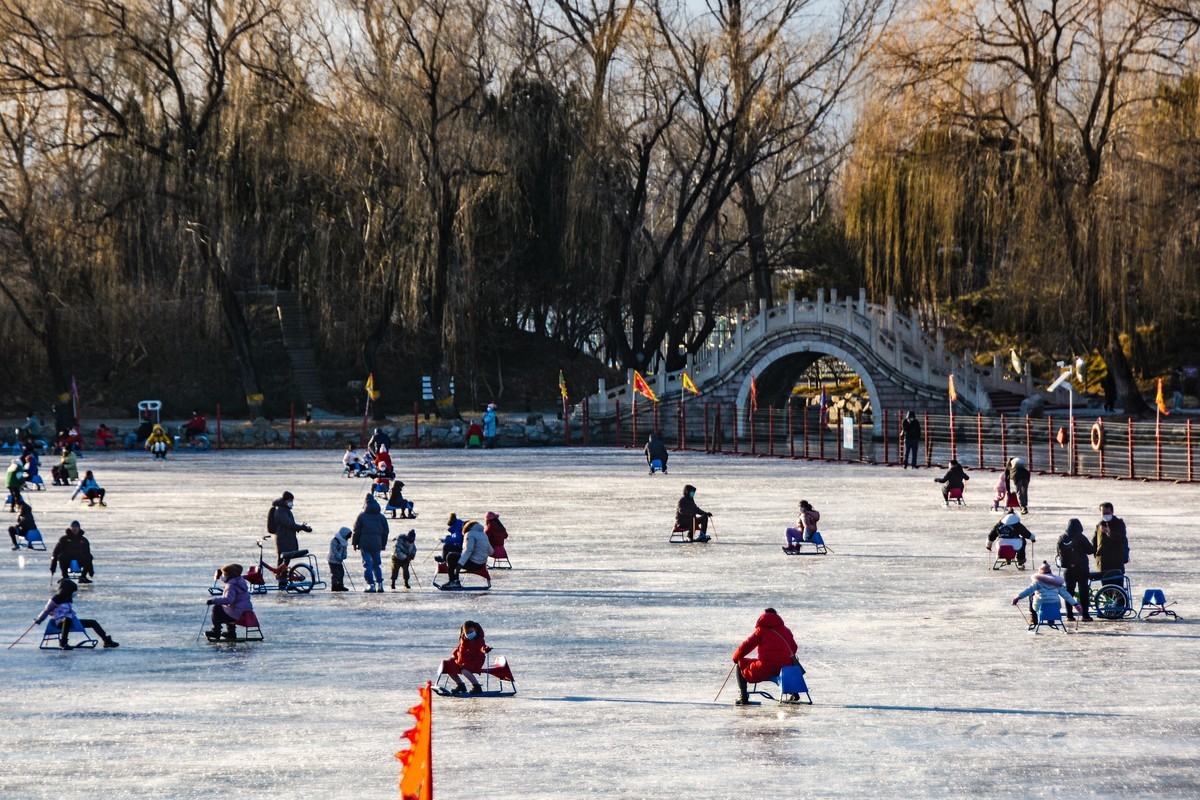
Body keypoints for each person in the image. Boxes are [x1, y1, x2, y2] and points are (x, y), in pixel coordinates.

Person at [731, 608, 799, 705]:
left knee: (741, 664)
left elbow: (746, 646)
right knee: (785, 667)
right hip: (784, 667)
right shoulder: (786, 631)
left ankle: (743, 696)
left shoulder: (761, 631)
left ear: (763, 617)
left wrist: (736, 658)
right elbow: (794, 648)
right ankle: (793, 692)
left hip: (765, 668)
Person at [34, 578, 118, 649]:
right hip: (60, 622)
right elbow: (46, 610)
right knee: (67, 619)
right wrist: (39, 620)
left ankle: (106, 640)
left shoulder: (69, 598)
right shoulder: (56, 598)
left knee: (93, 622)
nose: (73, 593)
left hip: (72, 621)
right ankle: (63, 643)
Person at [1013, 562, 1083, 627]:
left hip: (1040, 606)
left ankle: (1034, 619)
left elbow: (1029, 590)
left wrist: (1018, 597)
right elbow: (1066, 595)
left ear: (1040, 572)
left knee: (1031, 595)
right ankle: (1051, 619)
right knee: (1052, 601)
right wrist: (1075, 604)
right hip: (1055, 606)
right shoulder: (1057, 582)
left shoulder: (1037, 581)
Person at [269, 491, 312, 589]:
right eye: (290, 500)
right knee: (283, 560)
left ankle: (284, 579)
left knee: (285, 560)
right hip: (283, 539)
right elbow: (288, 524)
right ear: (285, 500)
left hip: (287, 538)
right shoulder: (280, 510)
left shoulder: (285, 509)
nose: (292, 502)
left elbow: (290, 524)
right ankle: (282, 581)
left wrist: (301, 527)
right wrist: (302, 527)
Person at [1056, 519, 1094, 622]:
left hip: (1068, 570)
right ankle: (1085, 615)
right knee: (1083, 592)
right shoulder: (1081, 537)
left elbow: (1058, 553)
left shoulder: (1062, 538)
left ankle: (1069, 615)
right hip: (1082, 569)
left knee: (1069, 593)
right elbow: (1090, 550)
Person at [351, 493, 390, 593]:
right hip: (377, 544)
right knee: (376, 564)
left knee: (367, 564)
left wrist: (354, 543)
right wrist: (383, 544)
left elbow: (356, 531)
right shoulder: (381, 517)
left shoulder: (362, 516)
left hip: (365, 544)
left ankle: (371, 584)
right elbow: (386, 531)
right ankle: (380, 585)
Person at [440, 621, 491, 694]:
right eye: (467, 633)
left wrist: (485, 649)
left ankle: (477, 686)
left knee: (464, 670)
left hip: (475, 661)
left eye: (471, 632)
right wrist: (455, 653)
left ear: (475, 630)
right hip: (463, 660)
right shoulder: (463, 639)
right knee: (449, 667)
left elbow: (481, 647)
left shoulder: (478, 640)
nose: (469, 634)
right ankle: (460, 685)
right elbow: (461, 648)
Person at [205, 563, 253, 641]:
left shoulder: (231, 585)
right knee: (227, 608)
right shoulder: (240, 581)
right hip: (245, 611)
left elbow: (228, 600)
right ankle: (231, 632)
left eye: (224, 574)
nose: (222, 576)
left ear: (228, 575)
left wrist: (213, 601)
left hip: (237, 613)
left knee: (217, 608)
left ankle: (216, 631)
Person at [446, 519, 492, 587]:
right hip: (481, 564)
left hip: (473, 564)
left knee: (451, 557)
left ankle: (454, 581)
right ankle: (454, 581)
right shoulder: (483, 535)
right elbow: (491, 551)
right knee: (456, 555)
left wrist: (459, 565)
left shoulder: (469, 534)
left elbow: (468, 550)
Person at [1093, 502, 1129, 583]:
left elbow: (1121, 538)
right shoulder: (1099, 525)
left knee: (1117, 589)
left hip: (1116, 563)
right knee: (1106, 590)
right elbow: (1094, 542)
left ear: (1112, 512)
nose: (1106, 515)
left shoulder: (1119, 523)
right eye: (1103, 513)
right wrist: (1096, 554)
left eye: (1108, 513)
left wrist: (1109, 532)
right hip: (1103, 564)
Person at [328, 527, 352, 592]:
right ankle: (334, 586)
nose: (347, 538)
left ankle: (340, 585)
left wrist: (344, 555)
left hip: (339, 561)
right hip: (333, 561)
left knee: (341, 573)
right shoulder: (335, 541)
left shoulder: (344, 541)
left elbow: (345, 550)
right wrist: (339, 556)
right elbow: (334, 550)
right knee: (335, 573)